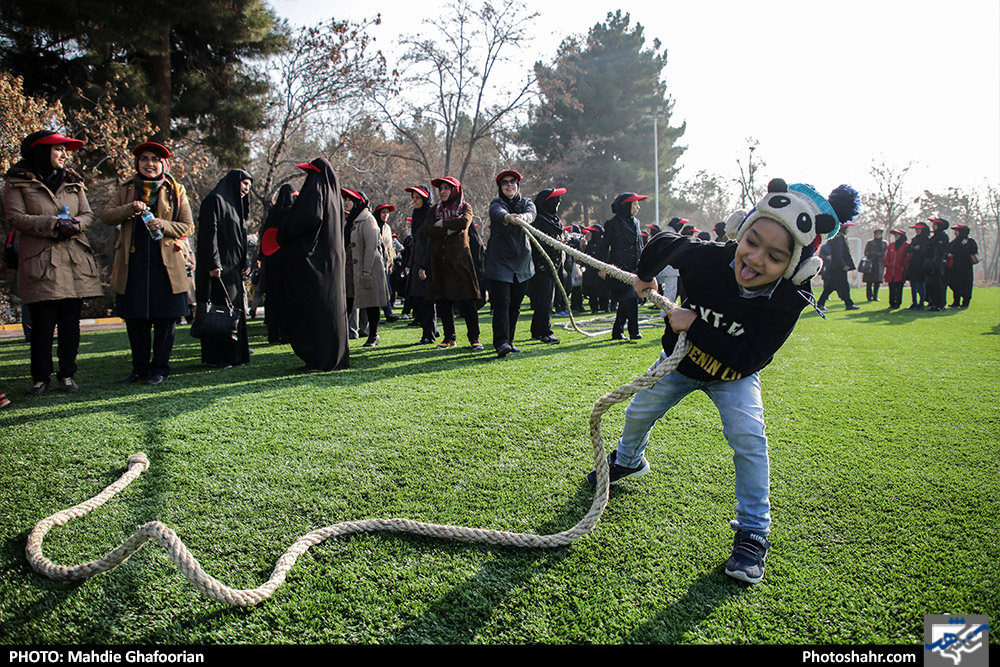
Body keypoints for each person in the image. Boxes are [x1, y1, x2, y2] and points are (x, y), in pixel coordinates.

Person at [586, 178, 860, 584]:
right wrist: (646, 276)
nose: (755, 259)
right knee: (638, 410)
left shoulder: (788, 299)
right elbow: (662, 242)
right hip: (680, 364)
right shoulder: (709, 257)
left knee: (750, 440)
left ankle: (754, 530)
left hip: (734, 376)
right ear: (739, 230)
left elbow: (748, 356)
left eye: (775, 256)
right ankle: (629, 461)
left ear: (797, 266)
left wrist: (693, 324)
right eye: (751, 242)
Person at [3, 130, 102, 395]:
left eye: (65, 150)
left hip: (73, 260)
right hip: (40, 261)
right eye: (58, 149)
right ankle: (40, 378)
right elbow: (15, 218)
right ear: (42, 150)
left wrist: (75, 225)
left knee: (71, 323)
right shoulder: (17, 181)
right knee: (43, 324)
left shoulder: (73, 180)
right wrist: (53, 224)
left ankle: (67, 376)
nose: (64, 154)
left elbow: (88, 214)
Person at [100, 141, 194, 385]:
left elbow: (188, 226)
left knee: (166, 319)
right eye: (144, 159)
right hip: (133, 264)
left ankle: (159, 369)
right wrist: (129, 208)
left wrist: (163, 224)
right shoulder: (125, 189)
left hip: (166, 265)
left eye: (155, 159)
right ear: (137, 163)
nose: (149, 163)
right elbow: (107, 216)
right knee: (135, 319)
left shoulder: (176, 189)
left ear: (163, 163)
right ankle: (139, 369)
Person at [275, 159, 349, 371]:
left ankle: (320, 358)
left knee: (316, 310)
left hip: (316, 265)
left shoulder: (316, 192)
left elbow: (307, 218)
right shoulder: (334, 197)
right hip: (331, 263)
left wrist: (283, 233)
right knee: (331, 309)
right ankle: (335, 356)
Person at [195, 169, 253, 368]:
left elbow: (241, 238)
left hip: (234, 270)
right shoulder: (214, 200)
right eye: (244, 183)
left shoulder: (237, 206)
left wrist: (246, 262)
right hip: (217, 270)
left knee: (233, 312)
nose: (247, 189)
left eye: (249, 186)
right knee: (218, 312)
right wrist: (213, 263)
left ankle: (236, 355)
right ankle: (218, 357)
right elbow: (208, 234)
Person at [426, 177, 482, 350]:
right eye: (441, 188)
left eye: (446, 188)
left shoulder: (465, 207)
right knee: (443, 302)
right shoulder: (434, 209)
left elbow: (464, 222)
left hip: (460, 262)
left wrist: (443, 224)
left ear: (455, 190)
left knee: (467, 302)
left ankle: (474, 338)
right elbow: (427, 229)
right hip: (439, 262)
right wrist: (451, 229)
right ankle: (449, 337)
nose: (442, 191)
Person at [485, 170, 536, 356]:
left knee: (515, 304)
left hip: (522, 262)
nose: (509, 185)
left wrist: (523, 218)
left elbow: (532, 214)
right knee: (502, 303)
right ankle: (501, 342)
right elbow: (497, 213)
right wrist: (509, 217)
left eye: (512, 181)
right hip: (500, 263)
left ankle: (510, 340)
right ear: (500, 187)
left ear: (517, 184)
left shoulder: (526, 203)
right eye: (504, 183)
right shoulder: (496, 204)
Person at [343, 188, 389, 347]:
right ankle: (342, 334)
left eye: (349, 199)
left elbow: (371, 246)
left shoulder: (368, 219)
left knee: (371, 302)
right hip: (350, 268)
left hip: (366, 268)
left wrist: (367, 270)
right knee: (347, 301)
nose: (346, 202)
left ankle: (373, 335)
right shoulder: (349, 220)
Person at [598, 192, 648, 339]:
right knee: (630, 298)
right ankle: (633, 331)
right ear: (626, 206)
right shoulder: (612, 224)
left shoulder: (636, 222)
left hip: (635, 268)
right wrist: (601, 266)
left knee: (628, 299)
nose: (638, 207)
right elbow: (604, 246)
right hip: (619, 268)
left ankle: (617, 331)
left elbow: (639, 246)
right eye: (635, 204)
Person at [259, 184, 297, 344]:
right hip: (287, 263)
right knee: (287, 298)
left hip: (272, 263)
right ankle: (287, 333)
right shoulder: (292, 214)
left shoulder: (272, 214)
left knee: (273, 298)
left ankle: (273, 333)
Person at [528, 187, 566, 345]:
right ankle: (544, 332)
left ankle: (537, 330)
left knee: (548, 299)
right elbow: (535, 241)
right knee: (544, 300)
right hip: (541, 266)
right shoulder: (537, 219)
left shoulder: (555, 219)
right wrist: (554, 247)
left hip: (554, 266)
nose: (558, 202)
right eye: (555, 199)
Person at [404, 185, 439, 344]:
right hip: (417, 261)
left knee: (426, 301)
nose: (415, 201)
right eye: (413, 198)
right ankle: (432, 330)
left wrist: (424, 266)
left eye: (418, 198)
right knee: (417, 299)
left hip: (427, 262)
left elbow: (430, 242)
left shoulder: (430, 214)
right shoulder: (417, 215)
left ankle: (429, 335)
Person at [815, 222, 858, 311]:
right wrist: (843, 265)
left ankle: (848, 304)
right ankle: (821, 303)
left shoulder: (838, 238)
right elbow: (838, 254)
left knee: (837, 286)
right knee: (835, 287)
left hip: (836, 268)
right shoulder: (839, 239)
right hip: (838, 268)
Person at [373, 204, 399, 322]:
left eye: (387, 212)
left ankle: (388, 313)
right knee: (376, 290)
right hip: (374, 262)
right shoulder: (373, 225)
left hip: (385, 262)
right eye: (383, 212)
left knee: (386, 289)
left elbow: (390, 248)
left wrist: (390, 263)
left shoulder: (387, 228)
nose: (385, 215)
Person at [947, 224, 978, 308]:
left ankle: (965, 302)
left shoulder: (970, 241)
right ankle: (956, 301)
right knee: (955, 284)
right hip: (955, 267)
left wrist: (965, 245)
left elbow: (973, 250)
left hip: (965, 268)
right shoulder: (954, 242)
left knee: (966, 285)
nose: (955, 233)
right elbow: (949, 250)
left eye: (957, 231)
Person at [924, 217, 950, 312]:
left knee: (938, 284)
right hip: (931, 263)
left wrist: (937, 262)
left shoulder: (943, 237)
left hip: (938, 265)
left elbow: (941, 251)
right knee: (931, 284)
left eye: (935, 224)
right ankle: (934, 303)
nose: (933, 226)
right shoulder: (934, 237)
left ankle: (940, 304)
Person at [905, 221, 930, 309]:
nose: (916, 230)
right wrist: (914, 248)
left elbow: (926, 252)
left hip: (922, 264)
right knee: (914, 284)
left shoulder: (927, 240)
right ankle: (914, 302)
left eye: (918, 229)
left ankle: (921, 302)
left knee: (920, 284)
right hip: (914, 263)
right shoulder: (915, 239)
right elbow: (909, 249)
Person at [883, 229, 910, 310]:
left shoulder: (906, 245)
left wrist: (903, 266)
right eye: (895, 235)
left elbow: (907, 257)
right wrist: (887, 264)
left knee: (898, 287)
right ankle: (891, 303)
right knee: (891, 287)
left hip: (900, 270)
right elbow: (887, 256)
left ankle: (898, 303)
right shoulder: (891, 245)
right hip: (891, 270)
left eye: (897, 235)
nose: (896, 236)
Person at [862, 229, 887, 302]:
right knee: (869, 282)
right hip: (871, 264)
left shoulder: (884, 243)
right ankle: (869, 297)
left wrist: (881, 255)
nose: (878, 235)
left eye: (879, 234)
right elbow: (866, 253)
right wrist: (874, 253)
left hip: (879, 264)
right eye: (877, 234)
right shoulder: (870, 243)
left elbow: (886, 253)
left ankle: (875, 296)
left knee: (877, 282)